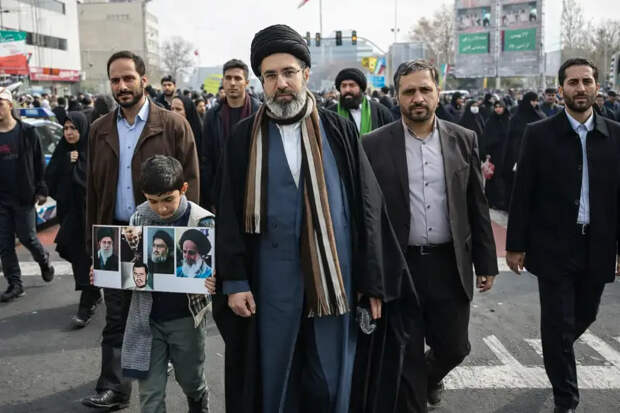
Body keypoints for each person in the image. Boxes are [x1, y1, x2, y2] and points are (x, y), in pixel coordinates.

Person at [213, 24, 409, 413]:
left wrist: (371, 281)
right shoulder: (242, 138)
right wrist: (234, 281)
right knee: (276, 380)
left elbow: (367, 209)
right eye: (271, 76)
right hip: (270, 285)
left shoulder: (339, 131)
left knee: (330, 380)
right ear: (261, 82)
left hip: (335, 279)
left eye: (289, 72)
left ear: (305, 73)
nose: (281, 83)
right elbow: (228, 215)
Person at [362, 60, 498, 411]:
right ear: (397, 96)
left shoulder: (463, 139)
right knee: (405, 357)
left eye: (425, 89)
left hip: (448, 264)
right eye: (409, 91)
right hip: (400, 266)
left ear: (438, 92)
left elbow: (476, 204)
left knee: (455, 348)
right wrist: (369, 273)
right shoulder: (373, 145)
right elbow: (367, 215)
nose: (418, 98)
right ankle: (413, 392)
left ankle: (429, 376)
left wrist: (486, 262)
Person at [82, 50, 200, 410]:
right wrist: (93, 246)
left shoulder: (173, 125)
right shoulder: (99, 130)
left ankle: (185, 382)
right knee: (116, 314)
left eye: (128, 78)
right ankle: (114, 387)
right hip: (115, 234)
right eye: (115, 80)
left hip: (161, 235)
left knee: (159, 313)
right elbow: (93, 190)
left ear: (143, 80)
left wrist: (188, 239)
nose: (121, 86)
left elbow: (191, 185)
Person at [506, 58, 620, 413]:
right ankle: (566, 398)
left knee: (584, 315)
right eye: (573, 82)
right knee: (557, 322)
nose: (580, 88)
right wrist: (515, 245)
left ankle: (556, 352)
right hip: (553, 245)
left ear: (597, 87)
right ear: (560, 90)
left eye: (587, 81)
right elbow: (523, 192)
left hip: (598, 244)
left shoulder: (616, 135)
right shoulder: (539, 134)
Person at [120, 155, 215, 413]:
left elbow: (218, 266)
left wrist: (216, 278)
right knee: (150, 394)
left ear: (183, 189)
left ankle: (198, 400)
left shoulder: (202, 221)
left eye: (167, 200)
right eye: (153, 201)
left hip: (186, 317)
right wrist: (107, 272)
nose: (161, 209)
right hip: (147, 318)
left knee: (190, 379)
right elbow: (129, 263)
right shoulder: (138, 218)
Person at [45, 111, 102, 326]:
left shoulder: (92, 151)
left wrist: (78, 165)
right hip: (69, 215)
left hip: (89, 216)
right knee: (71, 251)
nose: (69, 133)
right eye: (66, 128)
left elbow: (93, 183)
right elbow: (50, 180)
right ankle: (93, 292)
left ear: (83, 129)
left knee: (84, 258)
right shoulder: (63, 151)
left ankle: (86, 305)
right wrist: (67, 165)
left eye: (74, 128)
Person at [0, 87, 55, 303]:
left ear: (9, 105)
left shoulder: (27, 132)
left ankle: (43, 260)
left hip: (24, 197)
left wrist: (42, 189)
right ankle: (15, 284)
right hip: (1, 200)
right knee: (4, 244)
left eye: (0, 104)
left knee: (27, 237)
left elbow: (39, 163)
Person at [200, 59, 261, 210]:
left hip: (254, 191)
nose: (232, 83)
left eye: (238, 78)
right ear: (223, 81)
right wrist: (211, 195)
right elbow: (206, 158)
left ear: (246, 83)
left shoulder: (259, 113)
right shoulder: (212, 115)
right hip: (222, 192)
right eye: (228, 78)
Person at [502, 91, 545, 207]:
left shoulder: (540, 115)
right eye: (532, 100)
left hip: (537, 154)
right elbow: (510, 139)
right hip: (519, 155)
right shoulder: (516, 118)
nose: (535, 103)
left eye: (536, 100)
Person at [328, 67, 393, 135]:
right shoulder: (330, 114)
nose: (347, 90)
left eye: (352, 85)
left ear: (361, 88)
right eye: (344, 86)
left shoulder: (380, 112)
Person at [480, 101, 510, 210]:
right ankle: (491, 200)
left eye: (500, 107)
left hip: (505, 153)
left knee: (503, 176)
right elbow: (486, 137)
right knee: (493, 177)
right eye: (496, 107)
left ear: (504, 108)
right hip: (494, 153)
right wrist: (486, 153)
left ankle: (501, 201)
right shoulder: (490, 121)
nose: (498, 109)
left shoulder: (508, 120)